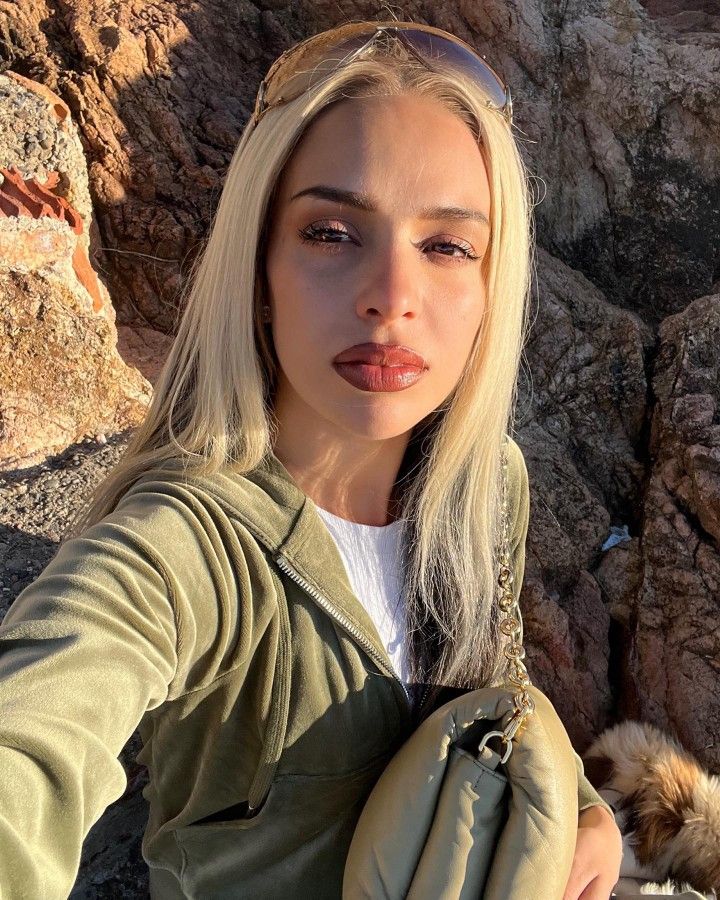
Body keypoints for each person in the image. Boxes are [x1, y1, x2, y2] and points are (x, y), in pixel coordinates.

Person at [0, 19, 623, 900]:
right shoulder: (186, 547)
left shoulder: (485, 490)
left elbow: (496, 681)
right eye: (332, 233)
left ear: (493, 286)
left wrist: (578, 802)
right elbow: (34, 730)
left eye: (446, 245)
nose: (392, 299)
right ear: (258, 269)